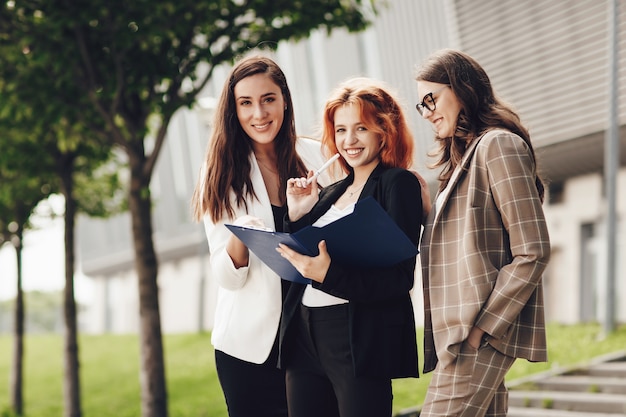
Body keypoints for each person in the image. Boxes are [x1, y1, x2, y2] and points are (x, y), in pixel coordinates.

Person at [190, 53, 331, 417]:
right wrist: (241, 239)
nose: (259, 113)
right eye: (246, 103)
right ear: (233, 111)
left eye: (268, 99)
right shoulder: (220, 172)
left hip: (317, 339)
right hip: (251, 347)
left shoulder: (319, 156)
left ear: (284, 99)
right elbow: (226, 278)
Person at [415, 49, 551, 417]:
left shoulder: (498, 145)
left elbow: (533, 250)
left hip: (477, 334)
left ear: (463, 90)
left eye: (432, 99)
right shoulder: (464, 161)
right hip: (458, 335)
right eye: (421, 105)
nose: (427, 113)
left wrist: (483, 330)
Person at [276, 77, 423, 417]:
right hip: (304, 334)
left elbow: (399, 279)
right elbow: (304, 260)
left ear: (384, 131)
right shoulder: (328, 193)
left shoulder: (397, 184)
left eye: (361, 128)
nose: (349, 140)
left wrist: (330, 274)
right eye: (340, 130)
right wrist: (297, 215)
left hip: (355, 336)